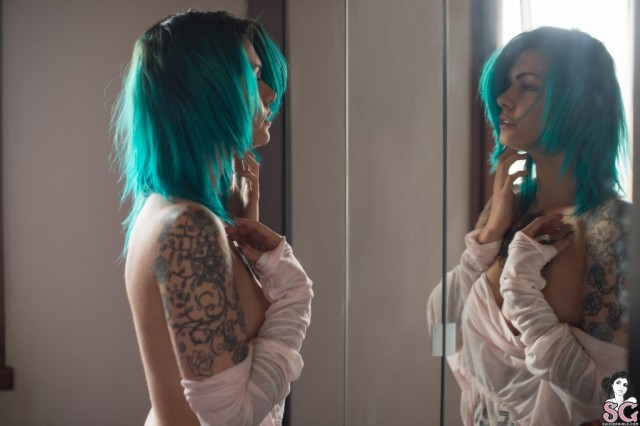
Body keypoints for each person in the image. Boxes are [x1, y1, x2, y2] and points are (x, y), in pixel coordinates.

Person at [112, 10, 313, 425]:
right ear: (205, 89)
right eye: (254, 74)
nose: (270, 94)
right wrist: (295, 292)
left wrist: (242, 231)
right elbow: (233, 418)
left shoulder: (173, 211)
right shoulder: (188, 228)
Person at [427, 26, 631, 425]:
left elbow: (620, 408)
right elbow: (443, 339)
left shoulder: (613, 227)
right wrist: (488, 237)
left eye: (528, 85)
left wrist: (521, 292)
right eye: (506, 84)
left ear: (577, 102)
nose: (503, 98)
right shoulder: (506, 212)